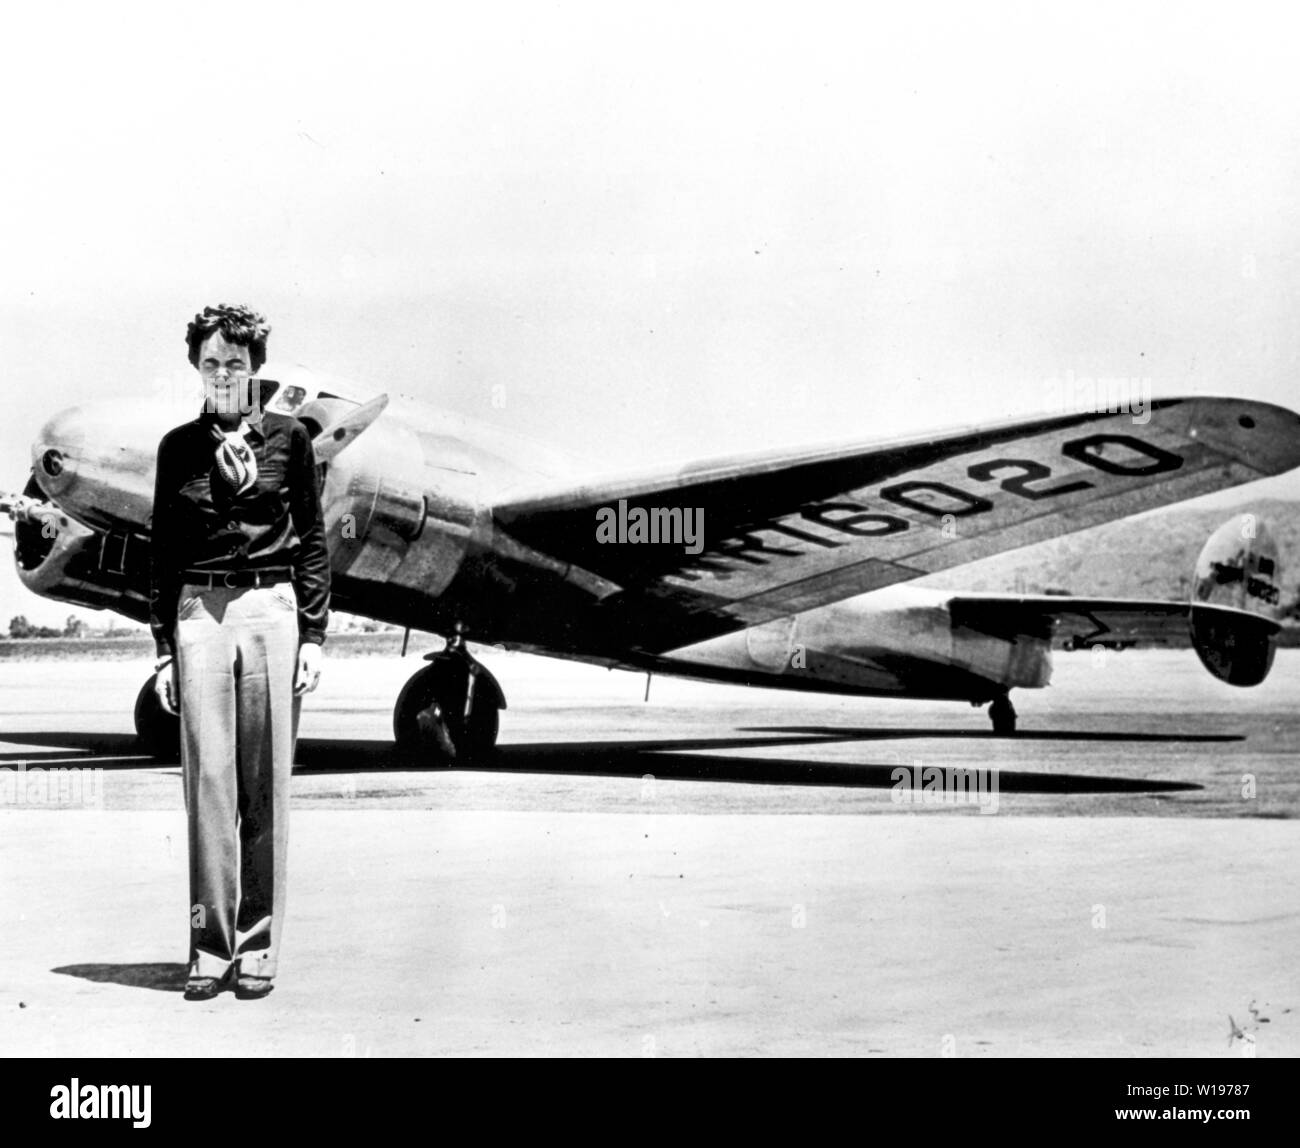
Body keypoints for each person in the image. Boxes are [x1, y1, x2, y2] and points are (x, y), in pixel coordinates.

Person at [149, 304, 330, 1001]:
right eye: (210, 364)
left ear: (255, 368)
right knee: (208, 790)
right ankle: (209, 948)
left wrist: (313, 636)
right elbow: (162, 554)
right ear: (196, 367)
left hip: (270, 611)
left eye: (235, 363)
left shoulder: (290, 441)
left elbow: (312, 540)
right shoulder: (176, 450)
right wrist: (165, 648)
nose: (222, 374)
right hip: (200, 612)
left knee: (265, 790)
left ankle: (257, 950)